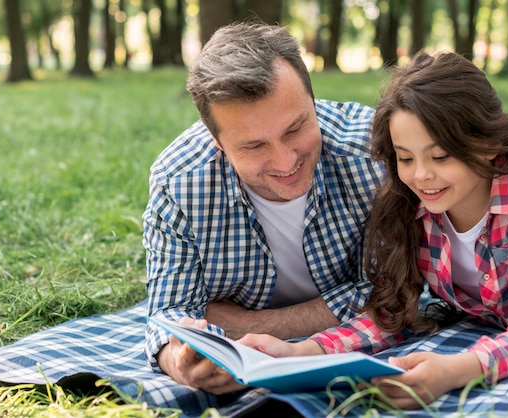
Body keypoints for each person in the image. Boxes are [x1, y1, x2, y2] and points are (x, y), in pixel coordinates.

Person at [236, 51, 508, 407]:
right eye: (405, 157)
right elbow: (392, 313)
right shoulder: (409, 205)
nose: (421, 175)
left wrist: (456, 371)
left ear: (488, 143)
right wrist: (300, 353)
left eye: (440, 156)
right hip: (500, 325)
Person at [142, 21, 384, 390]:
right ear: (216, 140)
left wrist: (247, 324)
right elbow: (169, 315)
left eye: (295, 128)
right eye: (254, 146)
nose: (286, 161)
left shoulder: (372, 153)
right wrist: (180, 364)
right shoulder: (178, 183)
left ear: (311, 98)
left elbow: (397, 292)